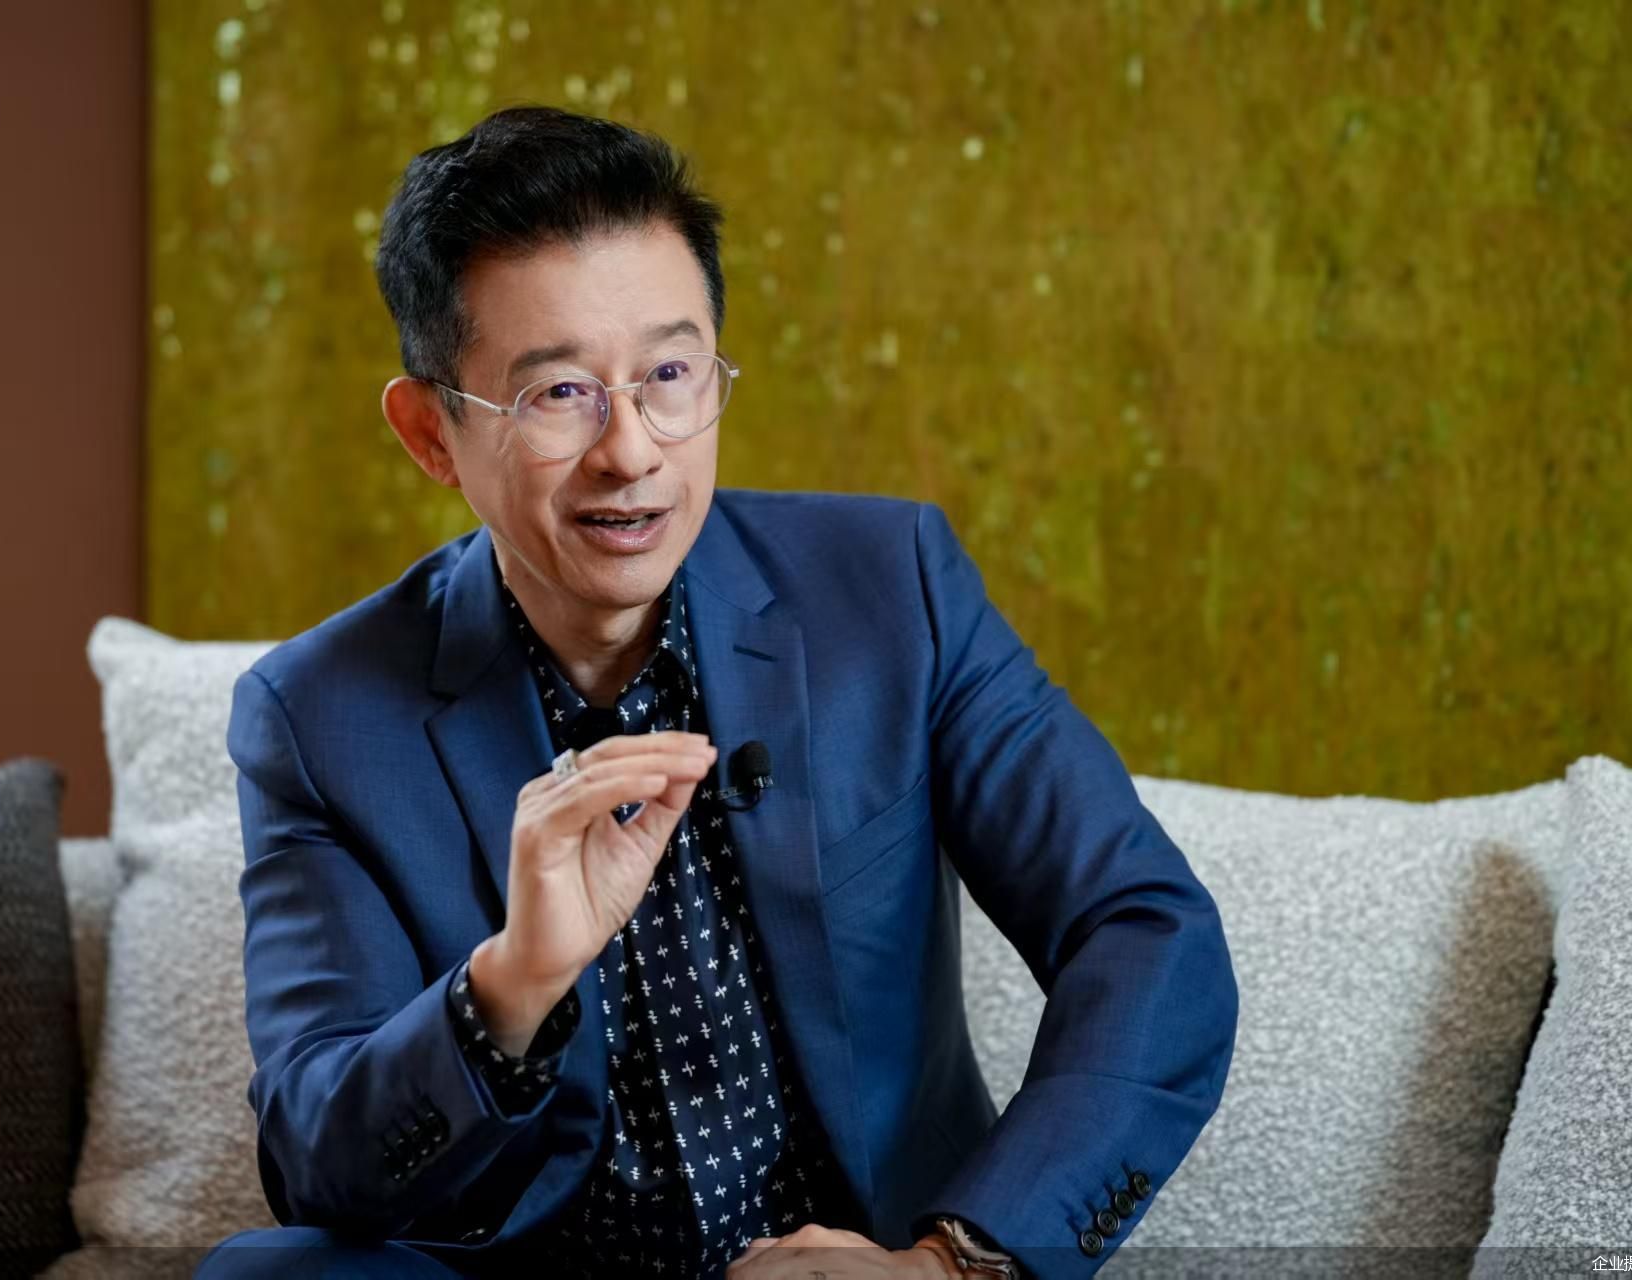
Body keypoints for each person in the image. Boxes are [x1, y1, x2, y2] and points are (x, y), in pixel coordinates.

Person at [196, 106, 1237, 1280]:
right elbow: (318, 1161)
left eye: (669, 374)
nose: (632, 449)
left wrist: (951, 1264)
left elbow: (1148, 930)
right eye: (559, 392)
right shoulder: (318, 714)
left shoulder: (893, 591)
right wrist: (510, 983)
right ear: (432, 431)